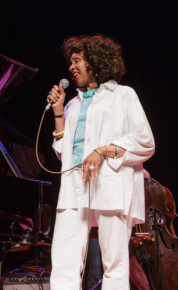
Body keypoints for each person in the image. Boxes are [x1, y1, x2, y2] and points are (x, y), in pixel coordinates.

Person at [47, 35, 155, 290]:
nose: (71, 67)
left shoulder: (123, 95)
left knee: (114, 264)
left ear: (94, 62)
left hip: (111, 185)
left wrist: (104, 150)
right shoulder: (72, 104)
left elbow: (145, 142)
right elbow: (63, 153)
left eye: (77, 61)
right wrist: (59, 113)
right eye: (70, 62)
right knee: (64, 260)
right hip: (74, 186)